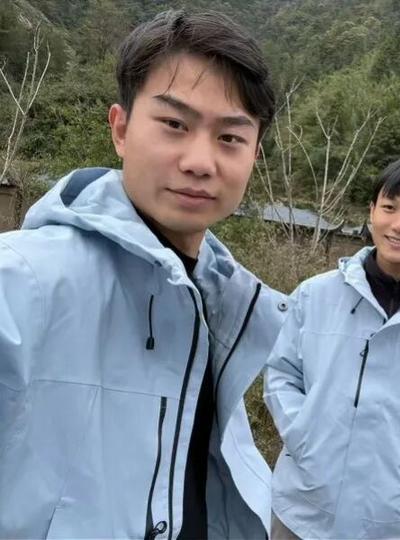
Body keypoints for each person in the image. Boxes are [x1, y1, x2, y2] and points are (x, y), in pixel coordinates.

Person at [0, 10, 287, 539]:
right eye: (175, 124)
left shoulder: (227, 303)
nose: (200, 161)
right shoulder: (25, 279)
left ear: (254, 154)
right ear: (121, 129)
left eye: (230, 137)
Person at [264, 154, 400, 539]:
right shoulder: (315, 296)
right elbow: (281, 373)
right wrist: (303, 435)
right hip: (302, 509)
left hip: (389, 520)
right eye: (388, 208)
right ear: (371, 212)